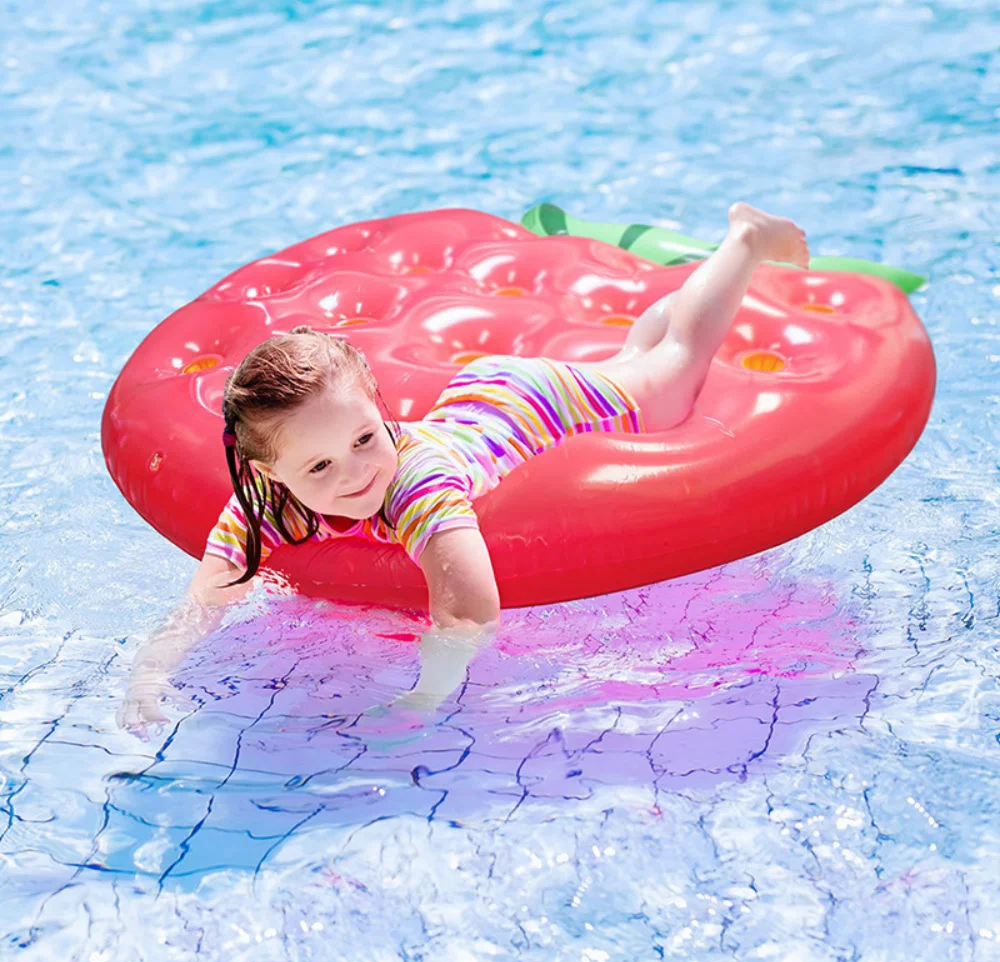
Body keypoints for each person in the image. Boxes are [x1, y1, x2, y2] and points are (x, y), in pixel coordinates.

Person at [116, 202, 809, 738]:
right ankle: (670, 305)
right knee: (635, 361)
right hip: (481, 400)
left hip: (538, 406)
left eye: (365, 436)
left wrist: (421, 700)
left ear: (380, 408)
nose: (356, 473)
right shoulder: (263, 504)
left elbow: (469, 611)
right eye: (320, 465)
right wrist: (149, 681)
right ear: (270, 473)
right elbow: (208, 597)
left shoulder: (416, 484)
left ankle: (744, 241)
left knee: (673, 371)